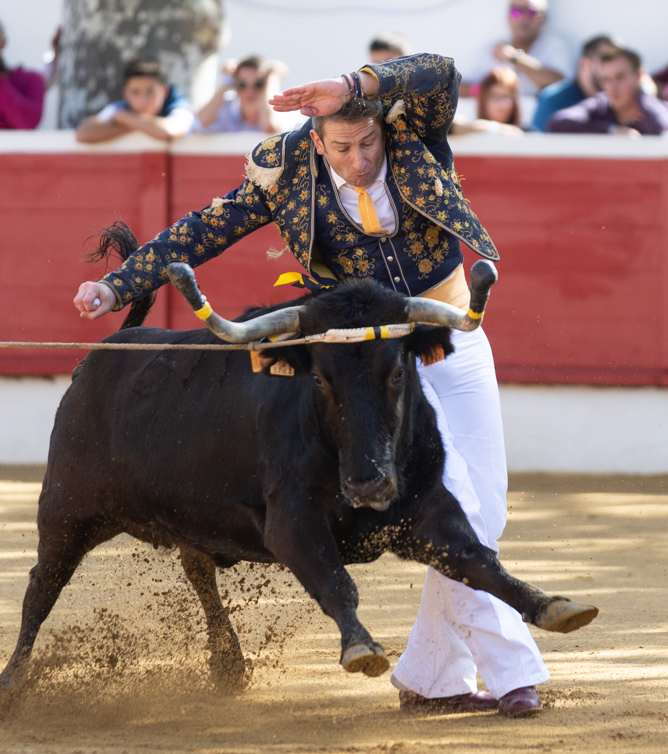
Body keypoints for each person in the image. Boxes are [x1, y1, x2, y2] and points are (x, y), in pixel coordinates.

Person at [73, 53, 552, 718]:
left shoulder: (413, 129)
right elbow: (201, 232)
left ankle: (431, 675)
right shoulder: (286, 167)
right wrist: (119, 285)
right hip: (366, 361)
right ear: (316, 140)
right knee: (460, 507)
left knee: (484, 514)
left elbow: (442, 72)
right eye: (343, 147)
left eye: (368, 143)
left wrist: (355, 86)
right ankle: (514, 675)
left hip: (452, 329)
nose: (359, 160)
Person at [549, 48, 668, 136]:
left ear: (639, 76)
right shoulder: (598, 106)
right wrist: (611, 130)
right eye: (606, 79)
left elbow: (665, 129)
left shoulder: (665, 109)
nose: (612, 86)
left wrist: (646, 95)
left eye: (620, 77)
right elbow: (557, 123)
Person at [463, 0, 571, 98]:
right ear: (507, 17)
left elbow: (563, 85)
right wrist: (487, 90)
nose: (523, 18)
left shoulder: (555, 46)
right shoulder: (490, 49)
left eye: (530, 12)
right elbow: (457, 87)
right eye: (516, 12)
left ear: (543, 17)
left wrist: (515, 57)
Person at [75, 59, 194, 143]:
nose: (143, 100)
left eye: (150, 91)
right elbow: (83, 133)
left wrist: (125, 119)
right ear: (126, 93)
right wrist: (146, 127)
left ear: (164, 92)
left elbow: (170, 131)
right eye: (135, 92)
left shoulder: (177, 101)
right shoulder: (120, 107)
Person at [532, 34, 620, 132]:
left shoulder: (622, 99)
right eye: (605, 60)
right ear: (584, 63)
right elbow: (538, 143)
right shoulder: (553, 98)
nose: (612, 69)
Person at [196, 56, 289, 134]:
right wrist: (226, 79)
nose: (249, 91)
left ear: (266, 86)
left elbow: (271, 126)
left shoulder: (285, 108)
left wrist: (274, 78)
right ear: (234, 86)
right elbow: (200, 123)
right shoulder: (227, 107)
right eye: (241, 84)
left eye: (258, 85)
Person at [450, 66, 525, 136]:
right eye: (495, 96)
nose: (502, 104)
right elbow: (446, 125)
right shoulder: (468, 132)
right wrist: (494, 128)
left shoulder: (527, 134)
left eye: (506, 97)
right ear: (483, 99)